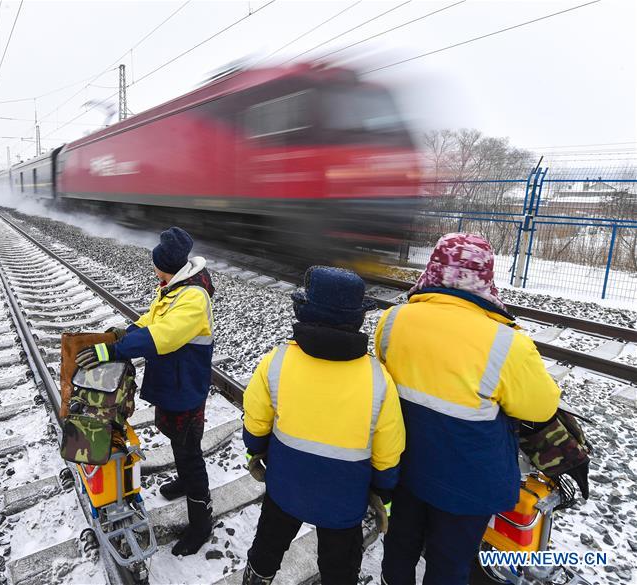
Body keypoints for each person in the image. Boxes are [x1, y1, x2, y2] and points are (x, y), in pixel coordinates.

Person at [377, 233, 561, 585]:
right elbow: (540, 408)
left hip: (404, 466)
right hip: (467, 485)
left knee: (400, 542)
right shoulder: (508, 343)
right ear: (486, 276)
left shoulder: (393, 320)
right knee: (449, 562)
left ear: (433, 266)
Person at [240, 266, 405, 585]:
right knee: (339, 568)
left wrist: (256, 450)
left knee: (268, 546)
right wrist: (383, 489)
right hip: (344, 502)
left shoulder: (277, 361)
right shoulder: (378, 380)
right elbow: (388, 452)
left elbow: (256, 421)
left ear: (304, 311)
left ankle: (257, 577)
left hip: (285, 489)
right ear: (357, 319)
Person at [76, 226, 215, 556]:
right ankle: (185, 481)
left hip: (186, 387)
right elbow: (152, 319)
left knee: (189, 452)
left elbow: (163, 335)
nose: (153, 270)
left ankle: (201, 524)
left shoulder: (193, 298)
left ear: (165, 266)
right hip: (173, 383)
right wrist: (125, 333)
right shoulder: (174, 287)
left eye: (155, 265)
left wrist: (112, 350)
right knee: (178, 439)